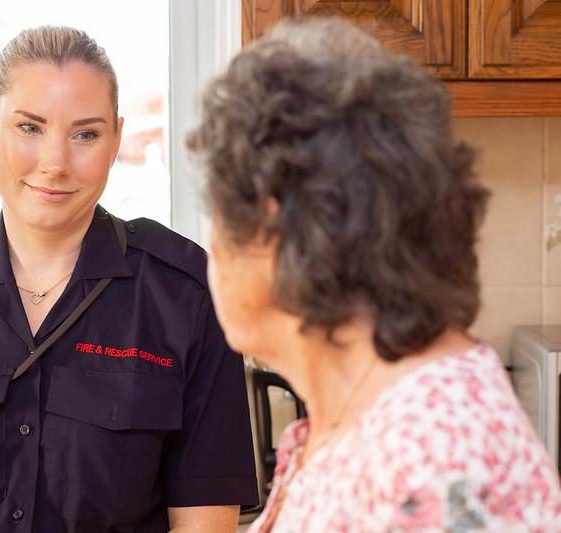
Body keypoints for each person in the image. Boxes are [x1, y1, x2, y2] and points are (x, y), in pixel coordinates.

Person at [0, 26, 257, 533]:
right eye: (29, 128)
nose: (55, 163)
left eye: (85, 134)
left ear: (115, 141)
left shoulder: (187, 295)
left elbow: (206, 521)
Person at [187, 16, 561, 532]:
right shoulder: (361, 421)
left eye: (220, 220)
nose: (211, 250)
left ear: (273, 234)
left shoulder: (432, 462)